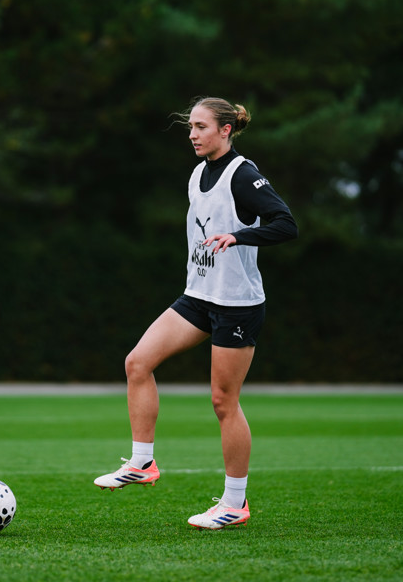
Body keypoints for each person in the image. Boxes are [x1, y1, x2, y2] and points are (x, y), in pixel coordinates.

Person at [93, 96, 298, 529]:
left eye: (201, 127)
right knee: (137, 363)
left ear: (226, 130)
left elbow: (285, 223)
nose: (192, 134)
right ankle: (142, 463)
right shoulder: (197, 173)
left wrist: (238, 237)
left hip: (237, 304)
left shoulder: (243, 175)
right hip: (199, 296)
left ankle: (234, 504)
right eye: (190, 127)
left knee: (224, 402)